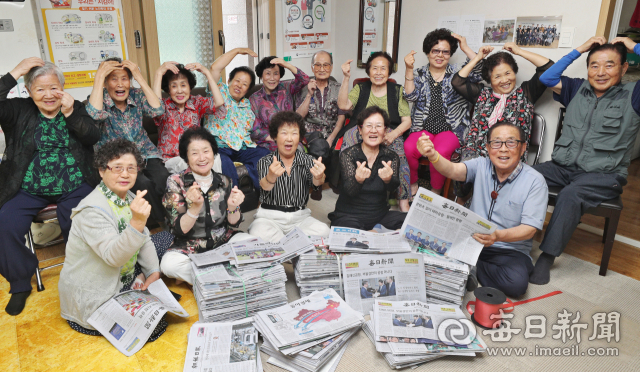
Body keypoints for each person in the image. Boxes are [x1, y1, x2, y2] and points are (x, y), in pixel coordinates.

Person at [530, 37, 640, 285]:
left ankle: (546, 258)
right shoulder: (576, 88)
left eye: (609, 65)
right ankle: (516, 240)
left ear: (623, 68)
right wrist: (580, 49)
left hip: (605, 174)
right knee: (523, 176)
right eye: (594, 65)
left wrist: (633, 46)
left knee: (571, 194)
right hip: (562, 166)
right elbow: (547, 78)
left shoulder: (634, 95)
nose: (601, 72)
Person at [0, 58, 99, 316]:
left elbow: (92, 136)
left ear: (63, 88)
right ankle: (21, 282)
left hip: (74, 183)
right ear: (29, 92)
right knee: (5, 223)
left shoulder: (76, 107)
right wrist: (16, 71)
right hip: (27, 186)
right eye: (39, 89)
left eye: (53, 88)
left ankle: (84, 275)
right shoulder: (18, 110)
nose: (48, 95)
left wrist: (70, 114)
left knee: (80, 221)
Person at [417, 122, 548, 297]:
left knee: (516, 285)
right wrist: (433, 155)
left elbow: (529, 229)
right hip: (471, 240)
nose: (503, 149)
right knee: (424, 244)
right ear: (487, 147)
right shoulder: (481, 164)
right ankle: (468, 264)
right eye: (496, 143)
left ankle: (469, 267)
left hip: (508, 249)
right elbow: (453, 170)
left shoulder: (535, 181)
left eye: (511, 142)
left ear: (523, 148)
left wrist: (498, 236)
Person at [58, 139, 166, 339]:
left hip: (121, 273)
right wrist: (137, 222)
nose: (125, 174)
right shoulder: (91, 210)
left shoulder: (131, 198)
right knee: (153, 328)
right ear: (101, 170)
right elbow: (113, 257)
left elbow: (145, 239)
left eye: (131, 168)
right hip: (96, 292)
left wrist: (153, 272)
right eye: (117, 168)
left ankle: (139, 276)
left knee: (166, 239)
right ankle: (134, 281)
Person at [161, 128, 252, 285]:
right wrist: (194, 208)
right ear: (186, 157)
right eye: (194, 153)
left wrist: (232, 207)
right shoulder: (176, 182)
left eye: (206, 151)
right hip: (190, 247)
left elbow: (234, 224)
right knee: (168, 265)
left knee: (254, 242)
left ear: (213, 153)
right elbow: (179, 229)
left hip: (222, 242)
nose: (202, 158)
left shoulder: (225, 181)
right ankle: (223, 278)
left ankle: (205, 277)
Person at [87, 57, 169, 226]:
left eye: (124, 78)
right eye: (113, 79)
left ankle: (171, 220)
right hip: (118, 158)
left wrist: (138, 76)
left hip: (144, 151)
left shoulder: (136, 95)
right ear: (105, 82)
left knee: (163, 178)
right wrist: (99, 76)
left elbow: (158, 109)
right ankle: (161, 224)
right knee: (142, 183)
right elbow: (94, 115)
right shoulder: (98, 98)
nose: (119, 84)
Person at [404, 30, 482, 197]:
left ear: (450, 54)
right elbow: (410, 96)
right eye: (435, 51)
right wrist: (409, 69)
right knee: (408, 147)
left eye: (445, 51)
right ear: (428, 52)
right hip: (422, 127)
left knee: (438, 154)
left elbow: (481, 71)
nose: (440, 55)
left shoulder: (459, 73)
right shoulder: (419, 73)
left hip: (452, 129)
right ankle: (413, 184)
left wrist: (466, 47)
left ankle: (435, 192)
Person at [452, 43, 553, 163]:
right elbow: (457, 82)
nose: (504, 80)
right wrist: (478, 57)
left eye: (508, 73)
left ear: (514, 71)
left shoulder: (526, 93)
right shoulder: (481, 94)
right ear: (489, 79)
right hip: (476, 159)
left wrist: (519, 51)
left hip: (509, 160)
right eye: (497, 76)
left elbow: (549, 68)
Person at [337, 52, 412, 212]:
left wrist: (392, 134)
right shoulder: (360, 88)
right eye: (374, 68)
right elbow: (344, 106)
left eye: (383, 68)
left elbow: (407, 121)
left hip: (388, 130)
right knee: (348, 140)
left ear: (389, 72)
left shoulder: (398, 91)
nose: (378, 72)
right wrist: (346, 77)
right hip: (361, 129)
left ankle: (403, 201)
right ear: (368, 71)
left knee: (400, 154)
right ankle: (349, 188)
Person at [249, 111, 330, 242]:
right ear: (275, 136)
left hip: (300, 217)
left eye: (294, 133)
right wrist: (271, 176)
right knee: (258, 232)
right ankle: (294, 246)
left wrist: (319, 176)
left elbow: (317, 183)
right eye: (284, 133)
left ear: (300, 137)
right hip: (270, 217)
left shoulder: (308, 160)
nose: (289, 138)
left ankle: (284, 247)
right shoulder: (265, 161)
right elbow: (265, 186)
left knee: (324, 231)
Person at [329, 107, 407, 230]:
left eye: (379, 126)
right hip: (350, 216)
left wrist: (388, 179)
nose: (373, 130)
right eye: (369, 125)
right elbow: (349, 191)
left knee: (409, 221)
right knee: (350, 230)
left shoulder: (391, 156)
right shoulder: (348, 155)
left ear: (385, 131)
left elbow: (393, 187)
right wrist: (358, 180)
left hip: (379, 215)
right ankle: (374, 232)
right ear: (360, 130)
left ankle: (375, 230)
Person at [205, 48, 270, 189]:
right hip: (220, 147)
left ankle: (266, 196)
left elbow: (255, 129)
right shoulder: (218, 91)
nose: (239, 85)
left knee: (266, 155)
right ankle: (233, 205)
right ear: (229, 80)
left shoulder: (247, 105)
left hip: (242, 147)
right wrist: (237, 51)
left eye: (245, 84)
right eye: (237, 81)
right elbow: (215, 68)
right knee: (224, 163)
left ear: (248, 89)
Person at [152, 61, 224, 170]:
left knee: (216, 158)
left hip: (194, 156)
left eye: (183, 85)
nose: (180, 91)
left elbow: (218, 102)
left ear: (190, 88)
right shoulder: (163, 106)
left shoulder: (196, 102)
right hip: (170, 159)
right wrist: (158, 74)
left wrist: (207, 73)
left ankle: (218, 186)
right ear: (168, 90)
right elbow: (155, 108)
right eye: (174, 86)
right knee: (186, 164)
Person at [295, 51, 348, 189]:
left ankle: (327, 183)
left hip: (333, 131)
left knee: (338, 146)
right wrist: (309, 95)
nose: (322, 69)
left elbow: (341, 117)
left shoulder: (338, 88)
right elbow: (298, 116)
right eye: (318, 65)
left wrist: (331, 138)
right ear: (312, 67)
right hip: (310, 133)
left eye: (326, 65)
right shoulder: (304, 87)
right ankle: (316, 182)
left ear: (331, 67)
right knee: (319, 145)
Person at [250, 56, 310, 151]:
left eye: (276, 74)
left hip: (290, 138)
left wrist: (286, 65)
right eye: (268, 74)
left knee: (298, 151)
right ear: (261, 76)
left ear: (280, 75)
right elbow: (255, 130)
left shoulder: (286, 87)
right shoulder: (254, 99)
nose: (272, 78)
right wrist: (276, 139)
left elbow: (305, 80)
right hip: (269, 143)